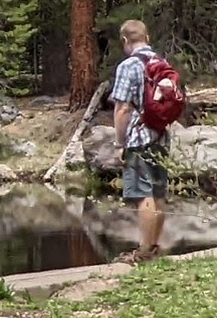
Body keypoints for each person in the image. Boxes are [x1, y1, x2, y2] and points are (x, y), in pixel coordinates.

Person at [64, 18, 171, 261]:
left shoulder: (128, 66)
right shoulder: (161, 62)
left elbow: (122, 109)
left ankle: (144, 251)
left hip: (138, 138)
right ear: (147, 37)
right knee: (158, 193)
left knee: (143, 194)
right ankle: (155, 246)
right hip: (161, 136)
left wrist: (120, 143)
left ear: (124, 40)